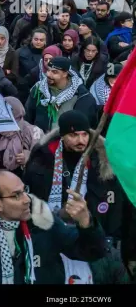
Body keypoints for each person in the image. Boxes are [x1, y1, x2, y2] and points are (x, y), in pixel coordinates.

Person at [0, 170, 107, 284]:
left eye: (25, 190)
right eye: (16, 195)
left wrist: (86, 223)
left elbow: (92, 252)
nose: (26, 199)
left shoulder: (43, 222)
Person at [23, 110, 128, 282]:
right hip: (51, 240)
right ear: (62, 136)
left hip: (95, 240)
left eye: (84, 134)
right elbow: (31, 198)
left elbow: (118, 207)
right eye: (73, 135)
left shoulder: (103, 161)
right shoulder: (42, 158)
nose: (81, 140)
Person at [25, 57, 97, 133]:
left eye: (54, 72)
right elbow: (28, 117)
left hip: (66, 142)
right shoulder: (39, 90)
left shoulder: (82, 96)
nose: (48, 74)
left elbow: (87, 127)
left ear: (65, 74)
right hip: (41, 140)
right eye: (48, 70)